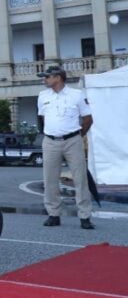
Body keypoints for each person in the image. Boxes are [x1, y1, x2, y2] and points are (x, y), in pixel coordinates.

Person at [37, 65, 94, 229]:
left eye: (47, 77)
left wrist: (78, 136)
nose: (44, 80)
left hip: (72, 140)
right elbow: (41, 118)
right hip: (50, 141)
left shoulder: (76, 95)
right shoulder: (42, 96)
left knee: (80, 179)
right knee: (50, 180)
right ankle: (53, 214)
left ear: (58, 77)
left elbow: (88, 118)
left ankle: (85, 216)